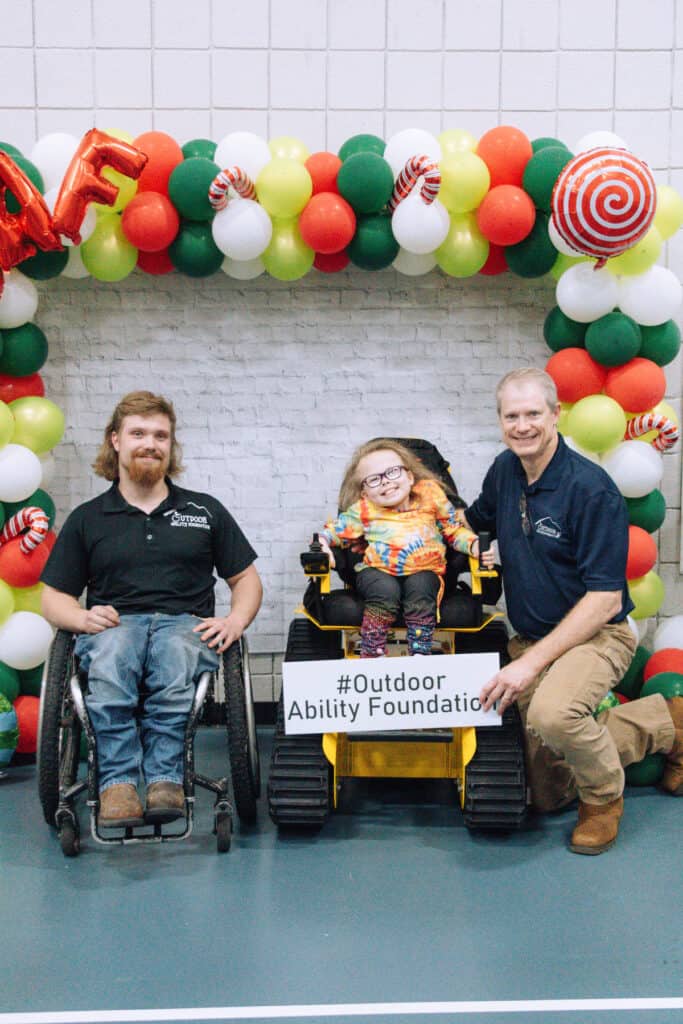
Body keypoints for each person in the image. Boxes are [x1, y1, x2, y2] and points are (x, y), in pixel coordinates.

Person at [462, 367, 682, 855]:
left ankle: (603, 801)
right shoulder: (504, 470)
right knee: (546, 793)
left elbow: (605, 599)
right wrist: (405, 525)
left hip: (597, 634)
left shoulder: (591, 489)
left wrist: (529, 666)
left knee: (555, 715)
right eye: (511, 416)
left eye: (533, 414)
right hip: (531, 637)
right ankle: (667, 723)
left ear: (555, 414)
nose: (522, 426)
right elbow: (470, 522)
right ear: (500, 421)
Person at [40, 391, 263, 828]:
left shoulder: (204, 510)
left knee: (174, 658)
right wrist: (81, 618)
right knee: (112, 659)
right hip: (115, 625)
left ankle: (165, 781)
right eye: (138, 433)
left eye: (161, 435)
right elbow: (53, 598)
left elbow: (246, 580)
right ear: (116, 440)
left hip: (184, 624)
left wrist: (235, 620)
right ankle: (117, 785)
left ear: (170, 444)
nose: (151, 443)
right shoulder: (88, 518)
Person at [318, 439, 494, 659]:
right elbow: (334, 531)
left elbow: (453, 530)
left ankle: (419, 651)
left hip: (425, 570)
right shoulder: (364, 509)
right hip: (377, 571)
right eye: (373, 479)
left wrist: (474, 544)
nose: (385, 481)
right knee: (384, 589)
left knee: (422, 584)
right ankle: (373, 650)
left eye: (393, 472)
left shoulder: (430, 495)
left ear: (410, 477)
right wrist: (322, 544)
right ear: (364, 493)